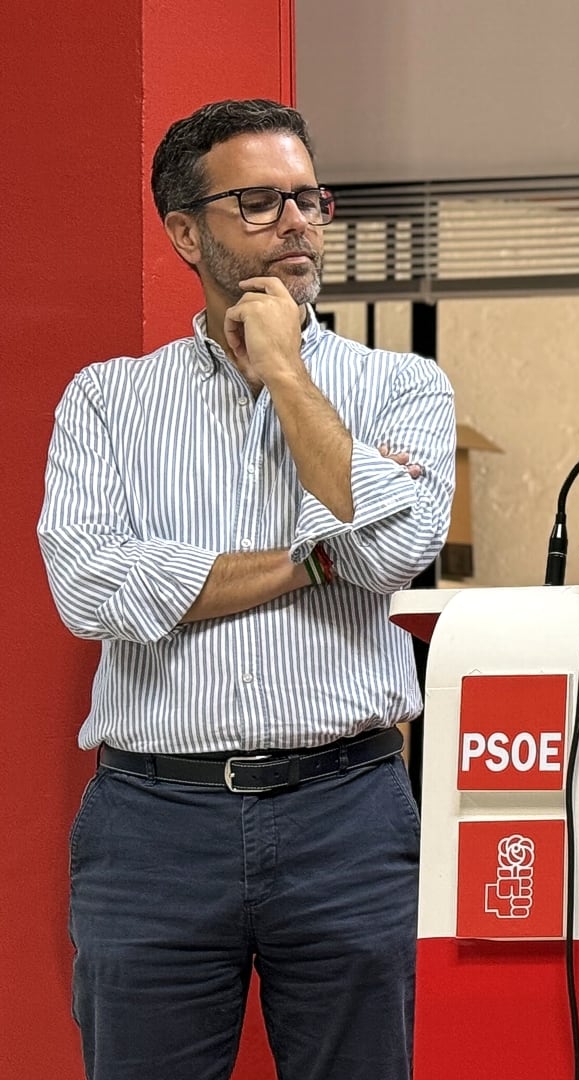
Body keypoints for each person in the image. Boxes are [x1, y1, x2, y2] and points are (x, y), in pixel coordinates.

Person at [37, 98, 455, 1080]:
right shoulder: (108, 399)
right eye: (260, 203)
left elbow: (396, 552)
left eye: (310, 198)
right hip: (155, 824)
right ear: (186, 230)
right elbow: (94, 587)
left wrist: (288, 370)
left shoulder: (402, 387)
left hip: (346, 808)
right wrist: (313, 557)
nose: (298, 223)